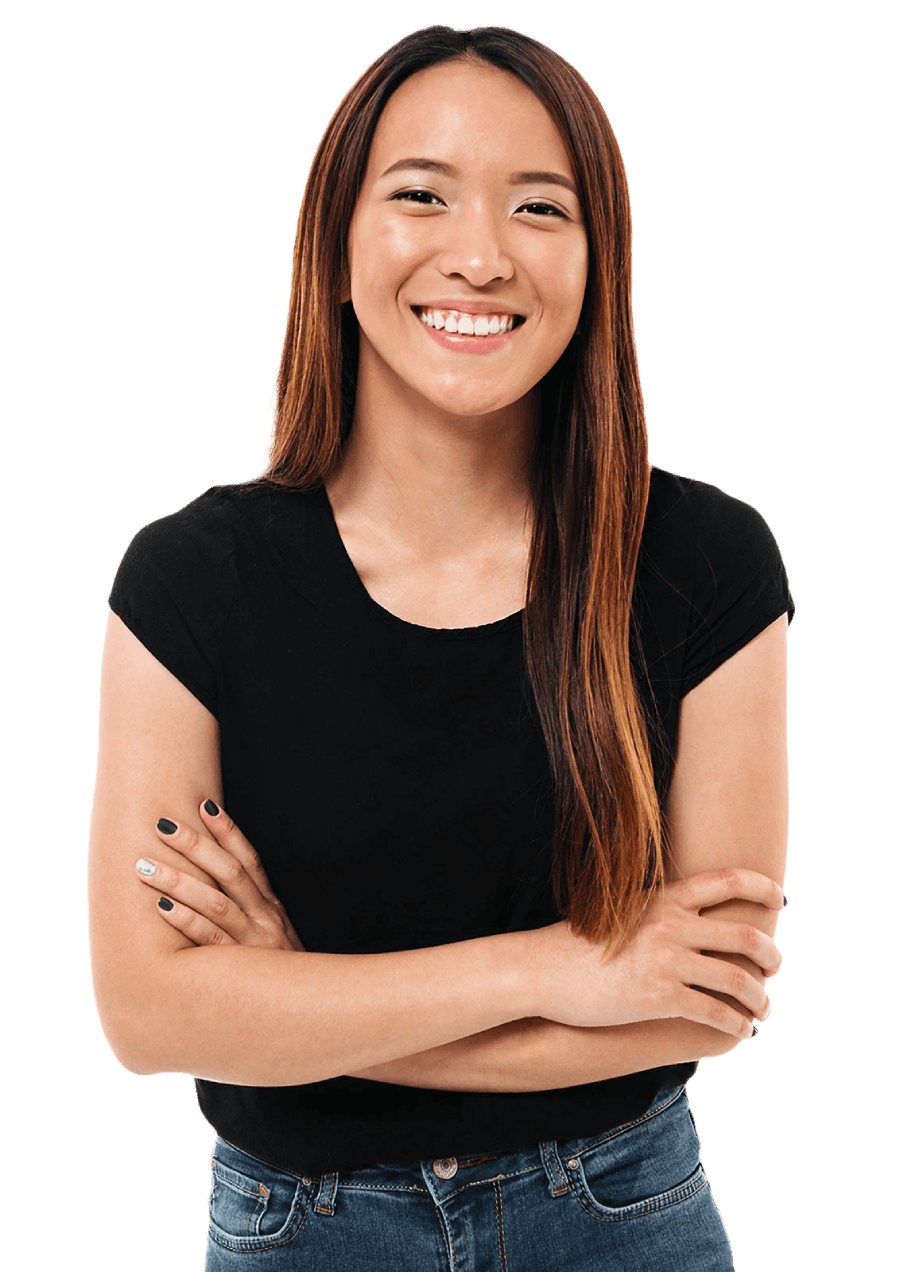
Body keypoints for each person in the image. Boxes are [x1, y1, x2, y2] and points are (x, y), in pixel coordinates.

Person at [87, 23, 796, 1271]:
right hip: (299, 1229)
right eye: (421, 195)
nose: (480, 256)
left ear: (598, 261)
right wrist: (559, 969)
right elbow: (149, 1014)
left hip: (622, 1215)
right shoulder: (192, 582)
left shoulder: (706, 564)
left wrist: (295, 1001)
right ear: (336, 246)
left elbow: (706, 1002)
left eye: (541, 207)